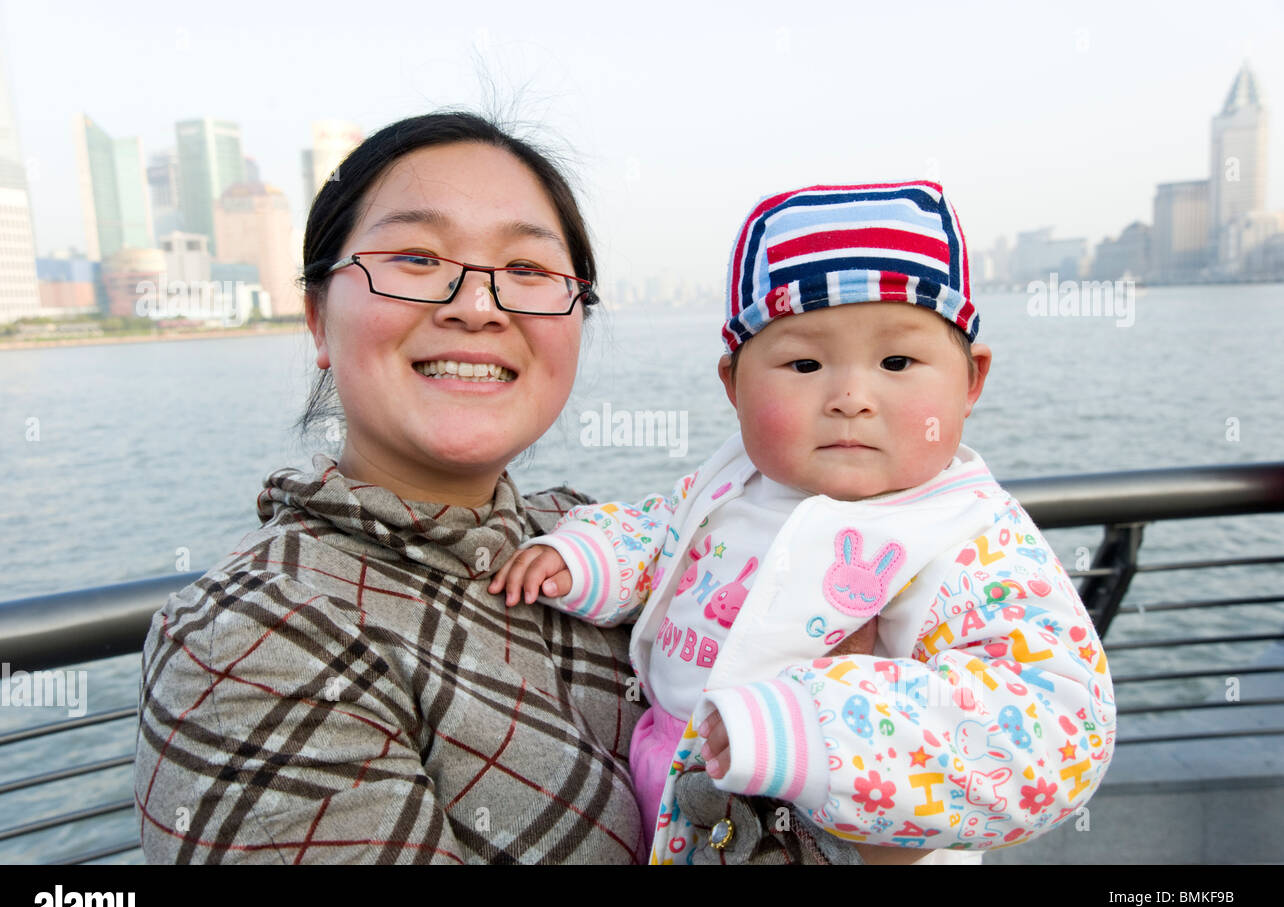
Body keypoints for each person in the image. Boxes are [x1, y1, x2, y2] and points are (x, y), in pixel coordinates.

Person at [492, 181, 1117, 865]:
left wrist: (819, 727)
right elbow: (662, 529)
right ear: (734, 386)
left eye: (898, 362)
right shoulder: (733, 477)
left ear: (971, 381)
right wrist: (589, 556)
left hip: (831, 829)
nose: (851, 396)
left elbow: (1058, 727)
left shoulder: (967, 535)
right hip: (669, 793)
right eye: (804, 363)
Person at [133, 112, 647, 864]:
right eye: (415, 256)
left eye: (529, 271)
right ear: (317, 318)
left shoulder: (595, 540)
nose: (478, 306)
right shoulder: (255, 636)